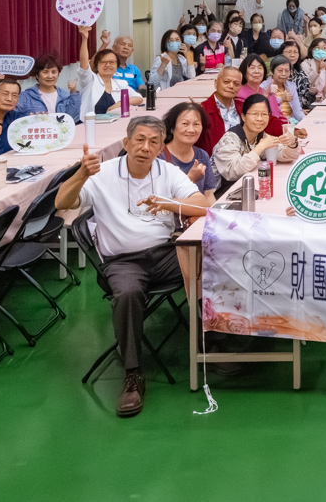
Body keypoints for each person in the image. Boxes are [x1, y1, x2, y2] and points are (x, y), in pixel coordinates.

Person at [56, 122, 210, 417]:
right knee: (127, 293)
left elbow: (201, 204)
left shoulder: (167, 171)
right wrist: (81, 174)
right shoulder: (103, 173)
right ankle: (132, 374)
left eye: (153, 142)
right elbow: (62, 203)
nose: (145, 147)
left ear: (161, 147)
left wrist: (167, 203)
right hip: (123, 261)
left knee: (208, 262)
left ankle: (214, 342)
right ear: (126, 143)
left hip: (163, 254)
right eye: (139, 140)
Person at [212, 94, 303, 205]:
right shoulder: (230, 139)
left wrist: (292, 143)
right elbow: (232, 172)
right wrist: (260, 147)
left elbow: (284, 155)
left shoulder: (262, 136)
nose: (259, 119)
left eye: (264, 114)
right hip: (220, 196)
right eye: (254, 114)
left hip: (244, 191)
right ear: (243, 117)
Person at [77, 25, 145, 116]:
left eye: (112, 62)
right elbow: (84, 64)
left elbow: (138, 98)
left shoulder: (120, 84)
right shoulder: (90, 81)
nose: (108, 65)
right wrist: (85, 38)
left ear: (117, 66)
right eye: (104, 62)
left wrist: (118, 104)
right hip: (93, 123)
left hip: (114, 122)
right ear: (97, 65)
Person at [160, 102, 218, 194]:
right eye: (185, 124)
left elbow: (209, 195)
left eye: (196, 124)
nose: (191, 130)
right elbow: (160, 198)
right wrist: (191, 178)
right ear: (172, 127)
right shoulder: (159, 156)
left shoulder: (202, 155)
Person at [18, 54, 83, 122]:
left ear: (58, 74)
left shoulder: (64, 96)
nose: (50, 76)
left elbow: (72, 119)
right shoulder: (25, 97)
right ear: (37, 75)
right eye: (45, 72)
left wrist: (73, 92)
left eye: (54, 72)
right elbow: (17, 121)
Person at [196, 64, 244, 154]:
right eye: (226, 82)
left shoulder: (243, 108)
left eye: (236, 84)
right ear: (216, 83)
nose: (231, 86)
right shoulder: (202, 110)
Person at [267, 55, 307, 123]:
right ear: (271, 72)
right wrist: (281, 99)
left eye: (287, 71)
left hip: (291, 122)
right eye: (280, 71)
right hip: (274, 123)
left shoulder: (291, 86)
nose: (284, 74)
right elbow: (267, 109)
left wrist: (305, 122)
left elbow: (297, 111)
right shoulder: (265, 87)